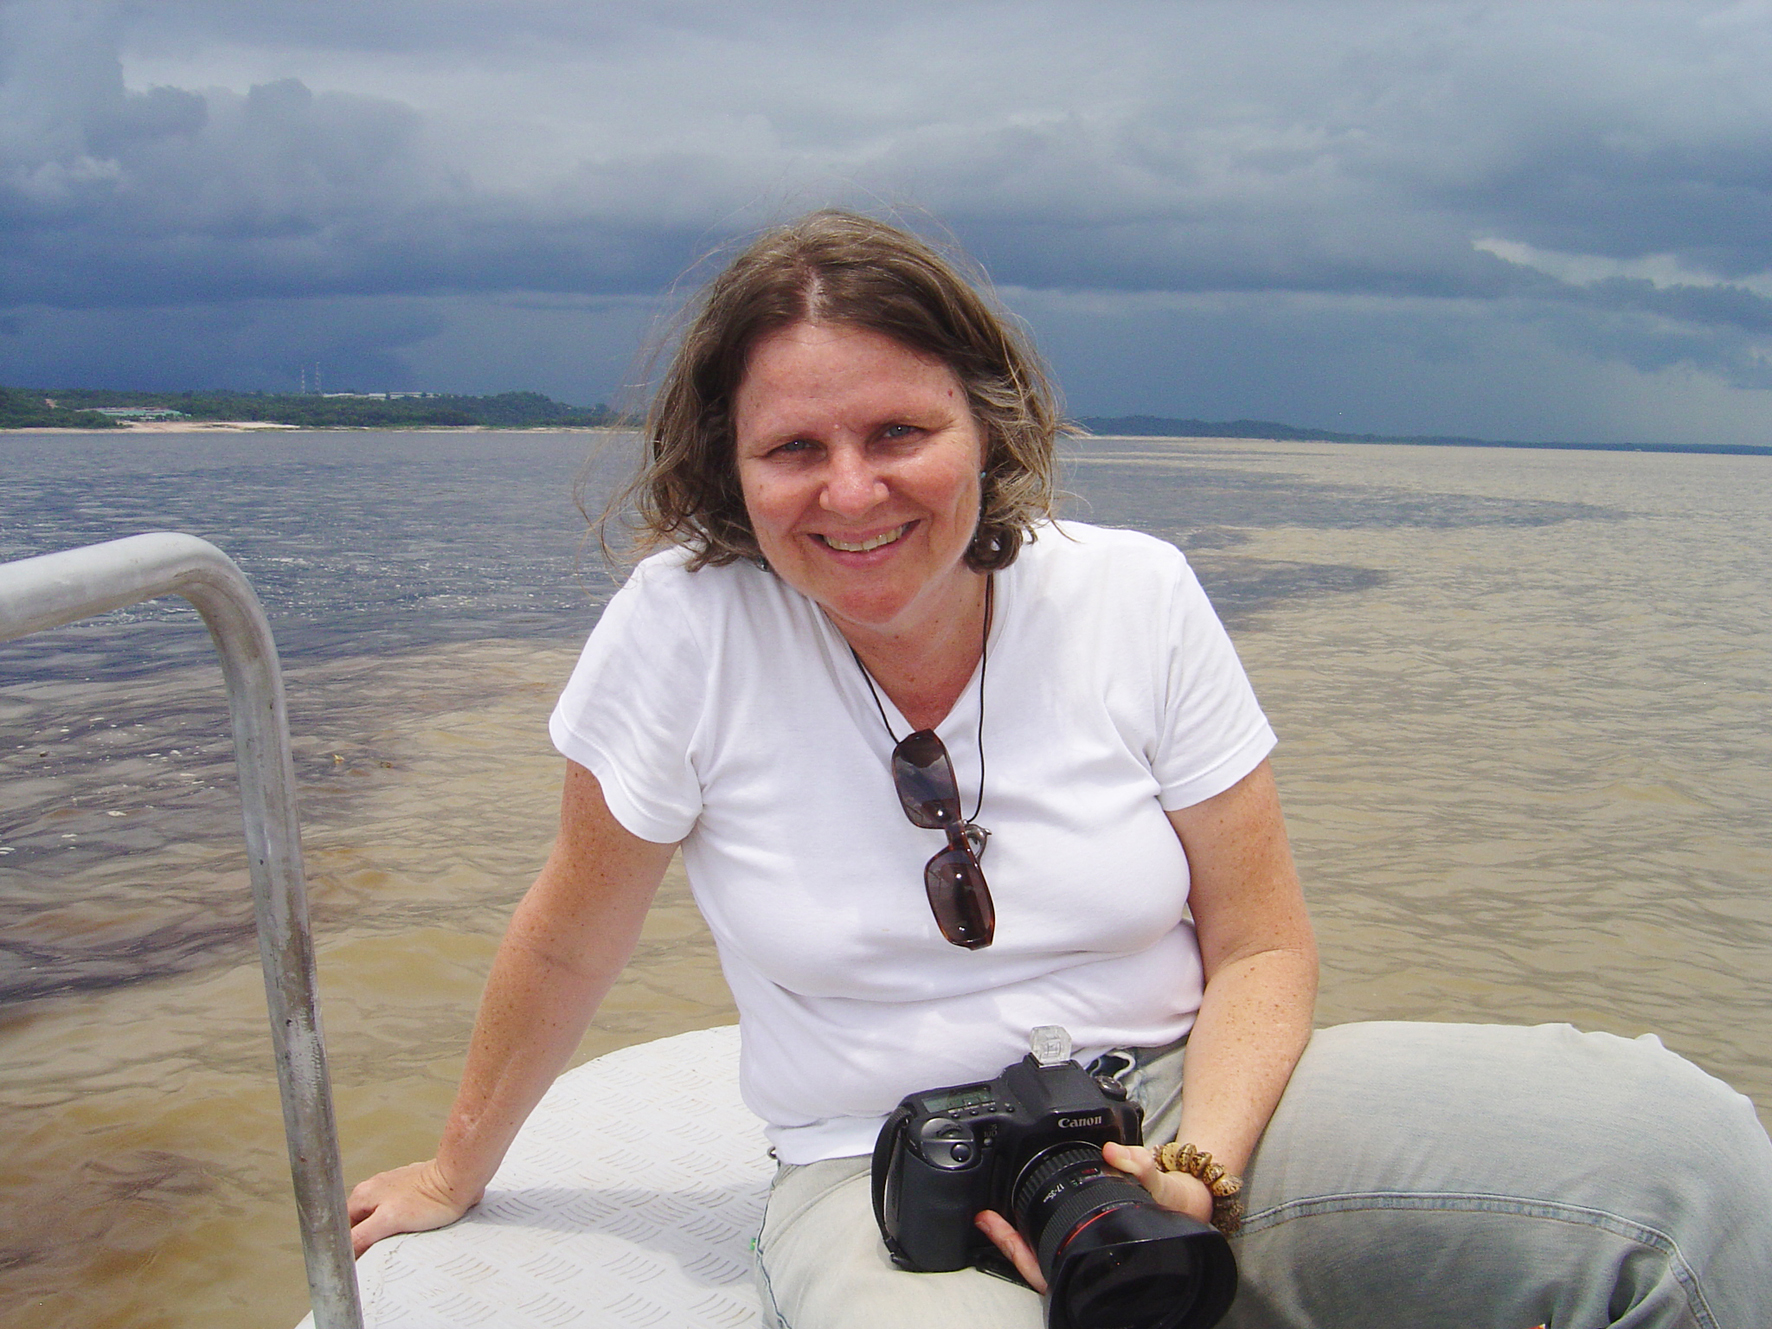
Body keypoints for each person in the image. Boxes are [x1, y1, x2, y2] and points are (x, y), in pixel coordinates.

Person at [348, 211, 1772, 1327]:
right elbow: (570, 937)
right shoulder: (685, 626)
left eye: (900, 431)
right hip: (880, 1161)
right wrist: (452, 1168)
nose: (852, 490)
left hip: (1177, 1098)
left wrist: (1199, 1166)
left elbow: (1263, 940)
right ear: (730, 470)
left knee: (1679, 1164)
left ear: (988, 423)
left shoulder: (1135, 593)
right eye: (794, 448)